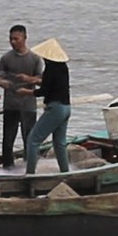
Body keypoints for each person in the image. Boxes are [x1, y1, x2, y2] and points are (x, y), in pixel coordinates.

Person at [0, 23, 43, 170]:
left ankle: (29, 166)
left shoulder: (35, 59)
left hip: (28, 105)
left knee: (29, 138)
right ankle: (7, 166)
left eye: (16, 39)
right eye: (11, 39)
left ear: (24, 38)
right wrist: (5, 84)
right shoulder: (6, 58)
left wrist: (28, 79)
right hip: (10, 105)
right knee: (8, 139)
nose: (13, 42)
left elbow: (41, 81)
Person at [23, 38, 72, 175]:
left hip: (55, 108)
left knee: (33, 140)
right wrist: (31, 80)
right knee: (59, 144)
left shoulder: (50, 68)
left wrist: (26, 92)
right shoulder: (63, 67)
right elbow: (51, 85)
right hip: (66, 108)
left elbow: (43, 91)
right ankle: (65, 173)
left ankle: (30, 174)